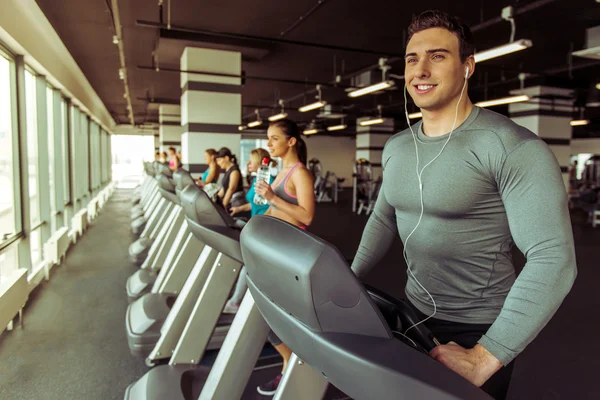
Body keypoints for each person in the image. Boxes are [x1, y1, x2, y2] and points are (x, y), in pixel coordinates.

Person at [350, 10, 576, 400]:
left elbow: (553, 256)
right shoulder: (397, 147)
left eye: (437, 56)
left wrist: (486, 356)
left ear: (467, 66)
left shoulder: (511, 146)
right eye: (411, 59)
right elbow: (384, 218)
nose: (420, 69)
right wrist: (345, 279)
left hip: (479, 328)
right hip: (412, 312)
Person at [253, 119, 315, 396]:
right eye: (268, 138)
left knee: (271, 318)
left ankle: (292, 367)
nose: (269, 144)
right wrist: (255, 223)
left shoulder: (300, 174)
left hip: (290, 251)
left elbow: (307, 216)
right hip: (273, 250)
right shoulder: (279, 172)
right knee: (265, 316)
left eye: (274, 138)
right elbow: (274, 211)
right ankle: (289, 365)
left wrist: (273, 199)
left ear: (291, 141)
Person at [222, 148, 277, 314]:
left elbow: (273, 206)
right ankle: (237, 297)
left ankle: (236, 301)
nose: (248, 164)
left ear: (261, 163)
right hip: (255, 225)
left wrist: (258, 223)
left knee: (249, 264)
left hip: (264, 228)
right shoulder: (256, 180)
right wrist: (238, 209)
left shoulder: (270, 181)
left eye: (251, 161)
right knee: (246, 261)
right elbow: (255, 203)